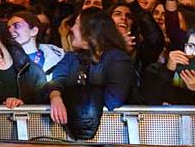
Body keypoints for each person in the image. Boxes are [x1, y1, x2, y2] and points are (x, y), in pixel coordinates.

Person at [46, 7, 136, 140]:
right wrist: (55, 97)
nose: (72, 29)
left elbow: (113, 100)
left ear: (90, 30)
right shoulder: (71, 58)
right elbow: (56, 80)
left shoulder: (117, 58)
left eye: (77, 24)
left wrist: (71, 97)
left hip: (113, 135)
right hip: (72, 136)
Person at [140, 21, 195, 106]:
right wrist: (168, 70)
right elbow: (150, 98)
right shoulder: (156, 70)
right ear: (185, 47)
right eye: (191, 46)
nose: (194, 53)